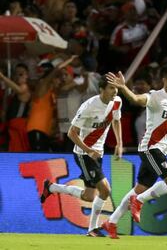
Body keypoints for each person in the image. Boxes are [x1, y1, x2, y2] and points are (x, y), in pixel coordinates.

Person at [101, 63, 167, 239]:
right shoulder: (155, 96)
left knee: (139, 188)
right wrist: (123, 86)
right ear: (164, 79)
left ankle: (111, 222)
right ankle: (139, 202)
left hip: (160, 151)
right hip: (150, 147)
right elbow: (135, 99)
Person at [40, 77, 123, 237]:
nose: (115, 91)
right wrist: (88, 150)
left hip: (98, 153)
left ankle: (51, 187)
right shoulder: (89, 106)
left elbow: (116, 121)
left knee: (89, 196)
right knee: (105, 189)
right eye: (111, 88)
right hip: (84, 153)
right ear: (102, 89)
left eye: (116, 88)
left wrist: (119, 143)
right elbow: (71, 133)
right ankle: (92, 229)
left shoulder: (117, 101)